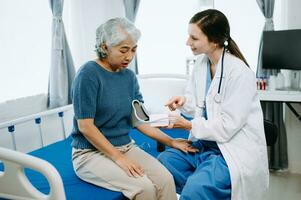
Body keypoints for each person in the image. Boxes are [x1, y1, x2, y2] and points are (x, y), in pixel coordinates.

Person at [70, 17, 197, 200]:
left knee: (166, 180)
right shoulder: (88, 74)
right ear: (105, 47)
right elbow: (86, 127)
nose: (129, 56)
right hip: (90, 153)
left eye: (133, 49)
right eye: (123, 50)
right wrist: (119, 159)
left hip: (125, 146)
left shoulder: (129, 77)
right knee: (143, 187)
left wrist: (172, 142)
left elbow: (139, 121)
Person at [158, 9, 269, 200]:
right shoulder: (202, 64)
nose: (187, 42)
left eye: (194, 38)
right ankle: (204, 188)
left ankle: (200, 189)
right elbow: (200, 105)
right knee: (164, 163)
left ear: (215, 40)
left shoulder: (239, 73)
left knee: (195, 190)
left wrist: (189, 124)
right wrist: (184, 102)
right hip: (205, 146)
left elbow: (227, 126)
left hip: (230, 151)